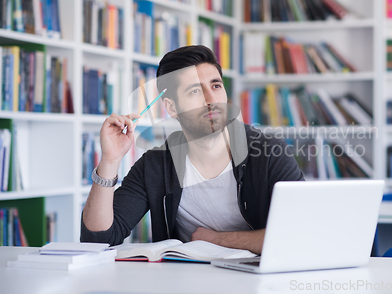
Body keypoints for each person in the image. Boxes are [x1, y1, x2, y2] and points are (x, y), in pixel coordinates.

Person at [81, 45, 304, 254]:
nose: (211, 99)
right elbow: (98, 240)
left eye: (216, 86)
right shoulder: (156, 165)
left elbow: (302, 232)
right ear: (171, 107)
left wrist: (217, 240)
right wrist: (110, 161)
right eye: (195, 91)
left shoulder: (268, 153)